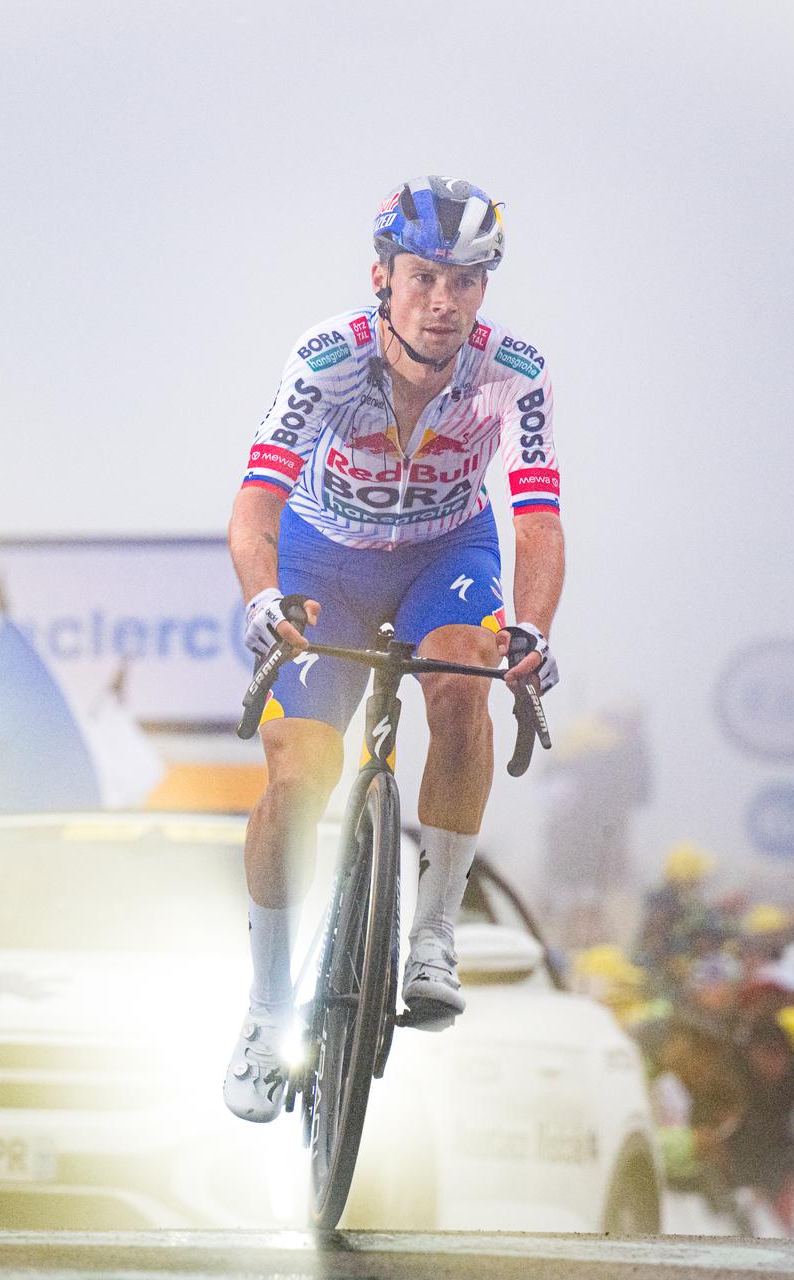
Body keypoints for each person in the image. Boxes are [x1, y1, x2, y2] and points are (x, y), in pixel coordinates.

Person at [224, 175, 564, 1121]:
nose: (444, 300)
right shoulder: (325, 362)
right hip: (320, 560)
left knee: (464, 682)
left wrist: (532, 628)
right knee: (299, 775)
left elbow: (537, 521)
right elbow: (254, 508)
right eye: (424, 277)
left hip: (445, 553)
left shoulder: (516, 374)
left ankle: (435, 934)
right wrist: (261, 600)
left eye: (465, 281)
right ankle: (263, 1011)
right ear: (383, 276)